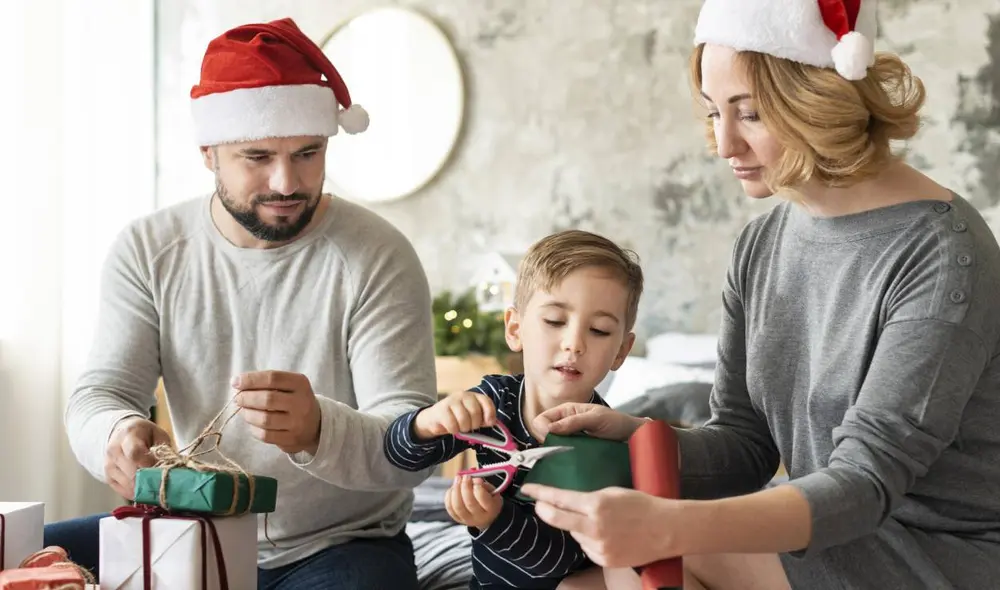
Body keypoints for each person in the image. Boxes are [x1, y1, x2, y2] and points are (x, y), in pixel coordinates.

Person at [519, 1, 1000, 589]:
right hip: (827, 528)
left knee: (672, 557)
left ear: (816, 101)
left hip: (933, 550)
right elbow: (745, 445)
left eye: (749, 114)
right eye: (714, 112)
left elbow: (866, 483)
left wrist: (673, 527)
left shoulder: (942, 253)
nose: (723, 144)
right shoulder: (761, 245)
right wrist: (635, 433)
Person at [47, 17, 437, 590]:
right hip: (191, 525)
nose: (287, 183)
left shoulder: (377, 255)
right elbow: (100, 394)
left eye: (308, 153)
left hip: (342, 545)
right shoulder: (149, 250)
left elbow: (416, 446)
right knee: (27, 548)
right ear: (209, 152)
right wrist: (116, 433)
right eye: (257, 157)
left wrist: (318, 431)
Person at [383, 230, 644, 589]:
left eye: (599, 330)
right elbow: (401, 459)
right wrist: (425, 423)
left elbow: (562, 559)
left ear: (621, 351)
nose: (574, 344)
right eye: (555, 321)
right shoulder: (496, 401)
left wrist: (496, 520)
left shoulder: (607, 441)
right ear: (515, 328)